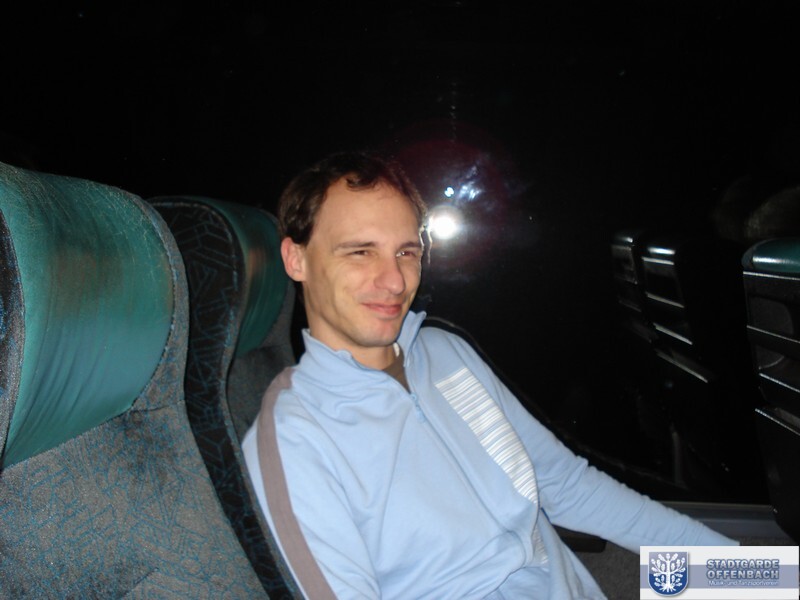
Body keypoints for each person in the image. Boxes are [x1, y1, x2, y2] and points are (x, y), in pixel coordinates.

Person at [242, 150, 736, 599]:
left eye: (406, 251)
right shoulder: (295, 438)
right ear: (296, 259)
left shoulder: (445, 355)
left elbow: (565, 485)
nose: (393, 280)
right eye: (360, 251)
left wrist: (738, 572)